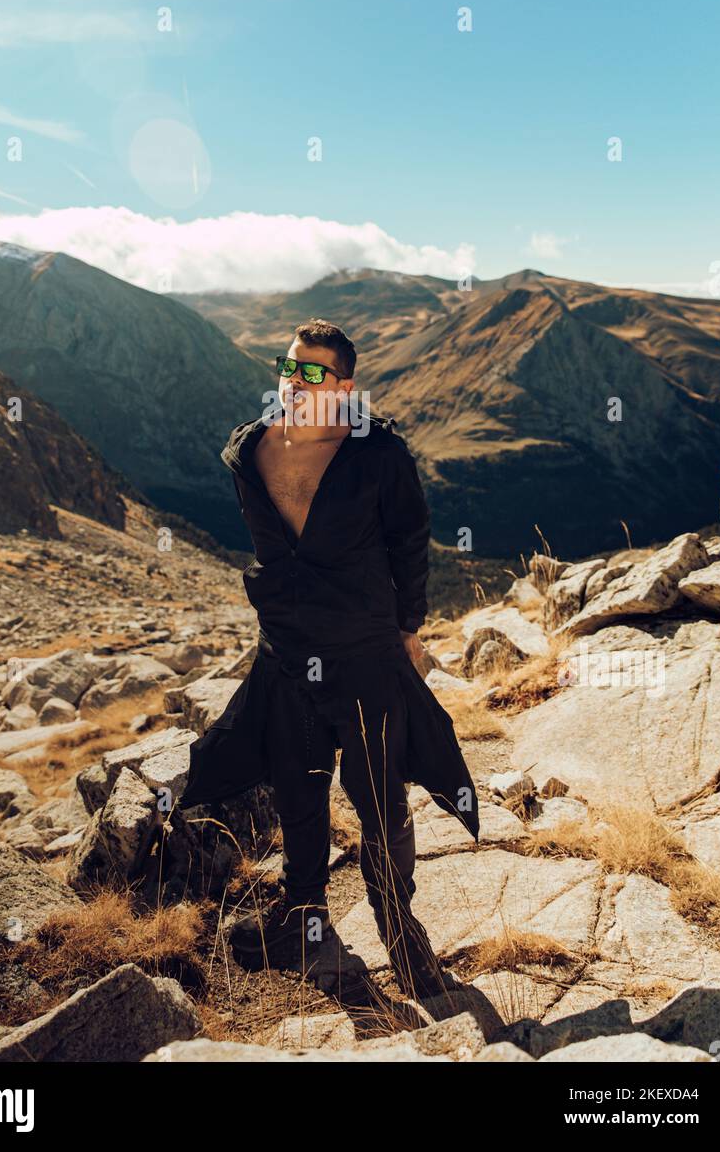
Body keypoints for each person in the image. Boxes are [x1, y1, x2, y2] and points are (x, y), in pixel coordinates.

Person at [177, 319, 479, 998]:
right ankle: (302, 917)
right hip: (288, 652)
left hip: (366, 650)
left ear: (344, 386)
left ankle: (403, 937)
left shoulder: (378, 453)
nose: (293, 382)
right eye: (287, 369)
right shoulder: (250, 451)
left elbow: (411, 540)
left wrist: (408, 628)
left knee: (380, 799)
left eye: (313, 373)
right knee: (299, 790)